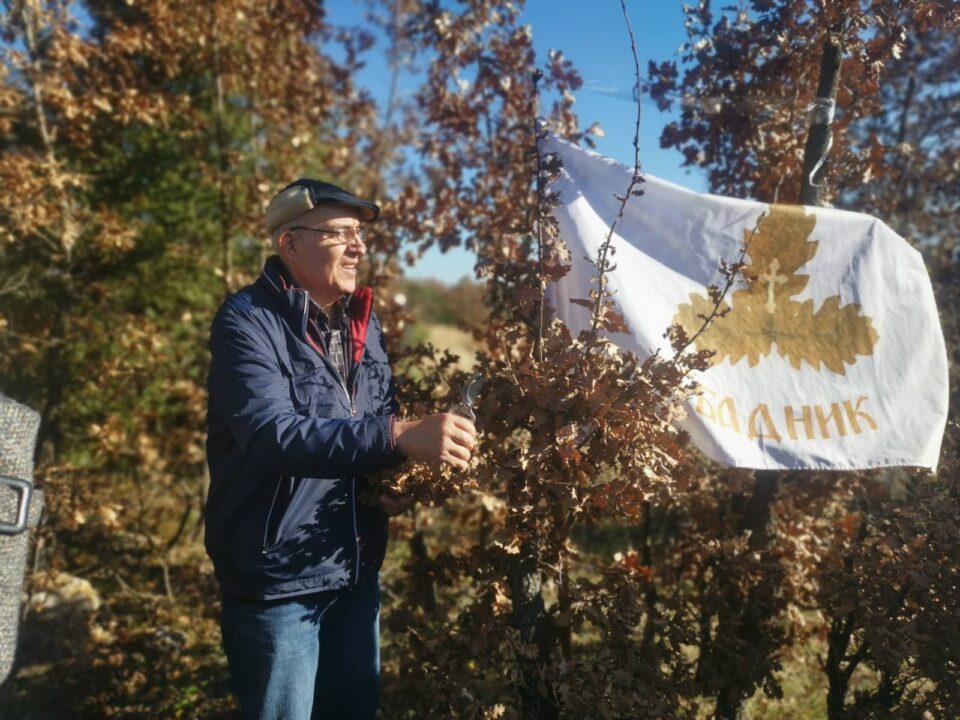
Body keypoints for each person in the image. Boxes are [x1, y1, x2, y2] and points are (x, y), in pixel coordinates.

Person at [204, 178, 477, 720]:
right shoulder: (247, 321)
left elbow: (371, 422)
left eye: (360, 235)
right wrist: (399, 436)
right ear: (290, 243)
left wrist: (401, 476)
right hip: (279, 583)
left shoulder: (363, 323)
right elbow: (271, 434)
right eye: (341, 233)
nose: (358, 247)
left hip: (353, 569)